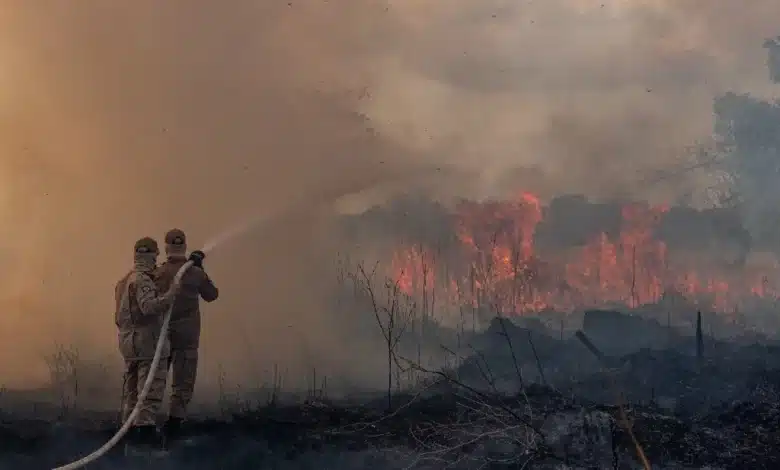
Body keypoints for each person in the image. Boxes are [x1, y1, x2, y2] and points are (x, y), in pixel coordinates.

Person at [153, 228, 219, 441]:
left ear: (166, 248)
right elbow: (212, 295)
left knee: (155, 379)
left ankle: (145, 423)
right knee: (182, 383)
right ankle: (174, 427)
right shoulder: (195, 273)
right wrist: (199, 268)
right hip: (187, 338)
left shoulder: (158, 273)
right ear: (184, 247)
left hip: (162, 336)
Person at [115, 237, 179, 450]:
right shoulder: (142, 280)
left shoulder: (124, 280)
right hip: (147, 343)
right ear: (151, 255)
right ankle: (144, 433)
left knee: (131, 390)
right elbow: (149, 307)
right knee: (150, 388)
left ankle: (128, 431)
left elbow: (118, 317)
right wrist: (170, 295)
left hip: (128, 343)